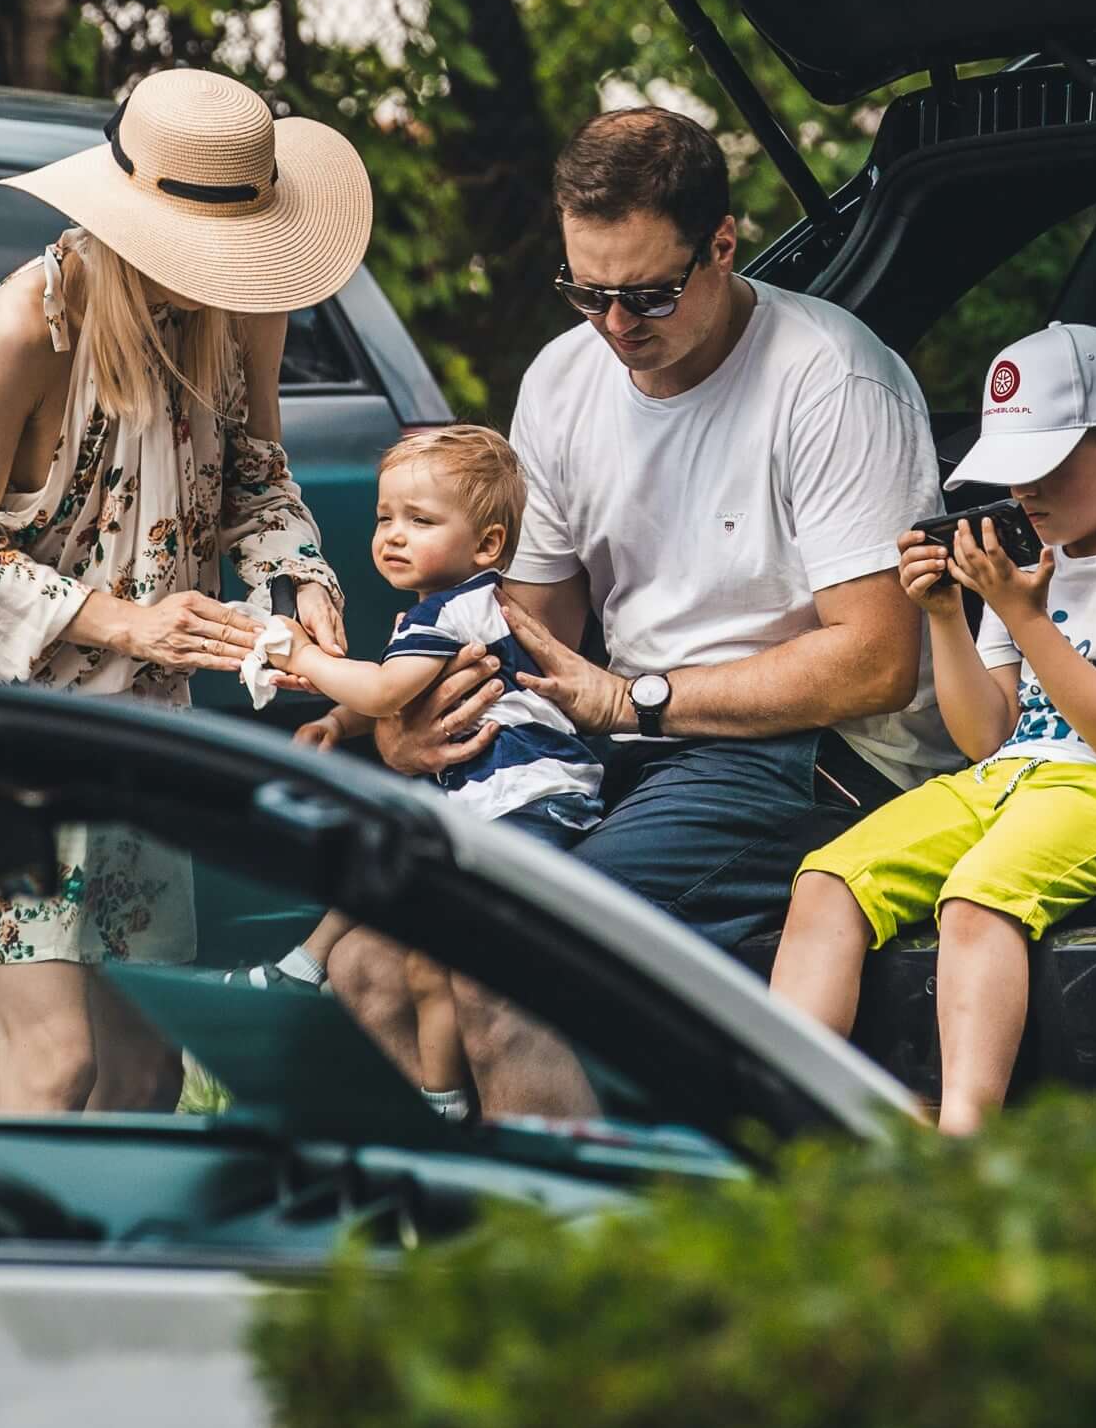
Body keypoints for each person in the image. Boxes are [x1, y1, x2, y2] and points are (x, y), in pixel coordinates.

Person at [0, 66, 371, 1115]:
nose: (222, 273)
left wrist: (301, 575)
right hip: (6, 729)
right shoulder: (24, 327)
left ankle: (127, 1267)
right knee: (57, 1060)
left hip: (141, 731)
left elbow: (255, 472)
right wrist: (129, 621)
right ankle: (2, 1272)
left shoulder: (242, 307)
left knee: (149, 1066)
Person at [376, 108, 946, 956]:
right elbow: (528, 631)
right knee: (383, 936)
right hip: (633, 740)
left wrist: (639, 698)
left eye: (649, 295)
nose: (614, 326)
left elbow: (876, 662)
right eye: (585, 292)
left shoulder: (832, 380)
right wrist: (409, 724)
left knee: (542, 936)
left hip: (824, 756)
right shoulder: (564, 379)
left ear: (722, 245)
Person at [769, 322, 1096, 1134]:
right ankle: (780, 1124)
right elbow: (986, 736)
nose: (1025, 496)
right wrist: (948, 617)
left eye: (1044, 470)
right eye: (1010, 476)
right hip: (1008, 777)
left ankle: (965, 1140)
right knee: (829, 879)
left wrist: (1025, 615)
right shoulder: (1021, 564)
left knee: (980, 898)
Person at [253, 426, 599, 1111]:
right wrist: (334, 721)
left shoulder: (453, 610)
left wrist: (304, 661)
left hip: (523, 798)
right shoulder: (444, 613)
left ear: (488, 545)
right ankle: (437, 1092)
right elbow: (395, 689)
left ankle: (437, 1097)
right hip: (507, 799)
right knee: (420, 942)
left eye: (420, 520)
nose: (393, 535)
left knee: (431, 925)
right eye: (385, 517)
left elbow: (385, 691)